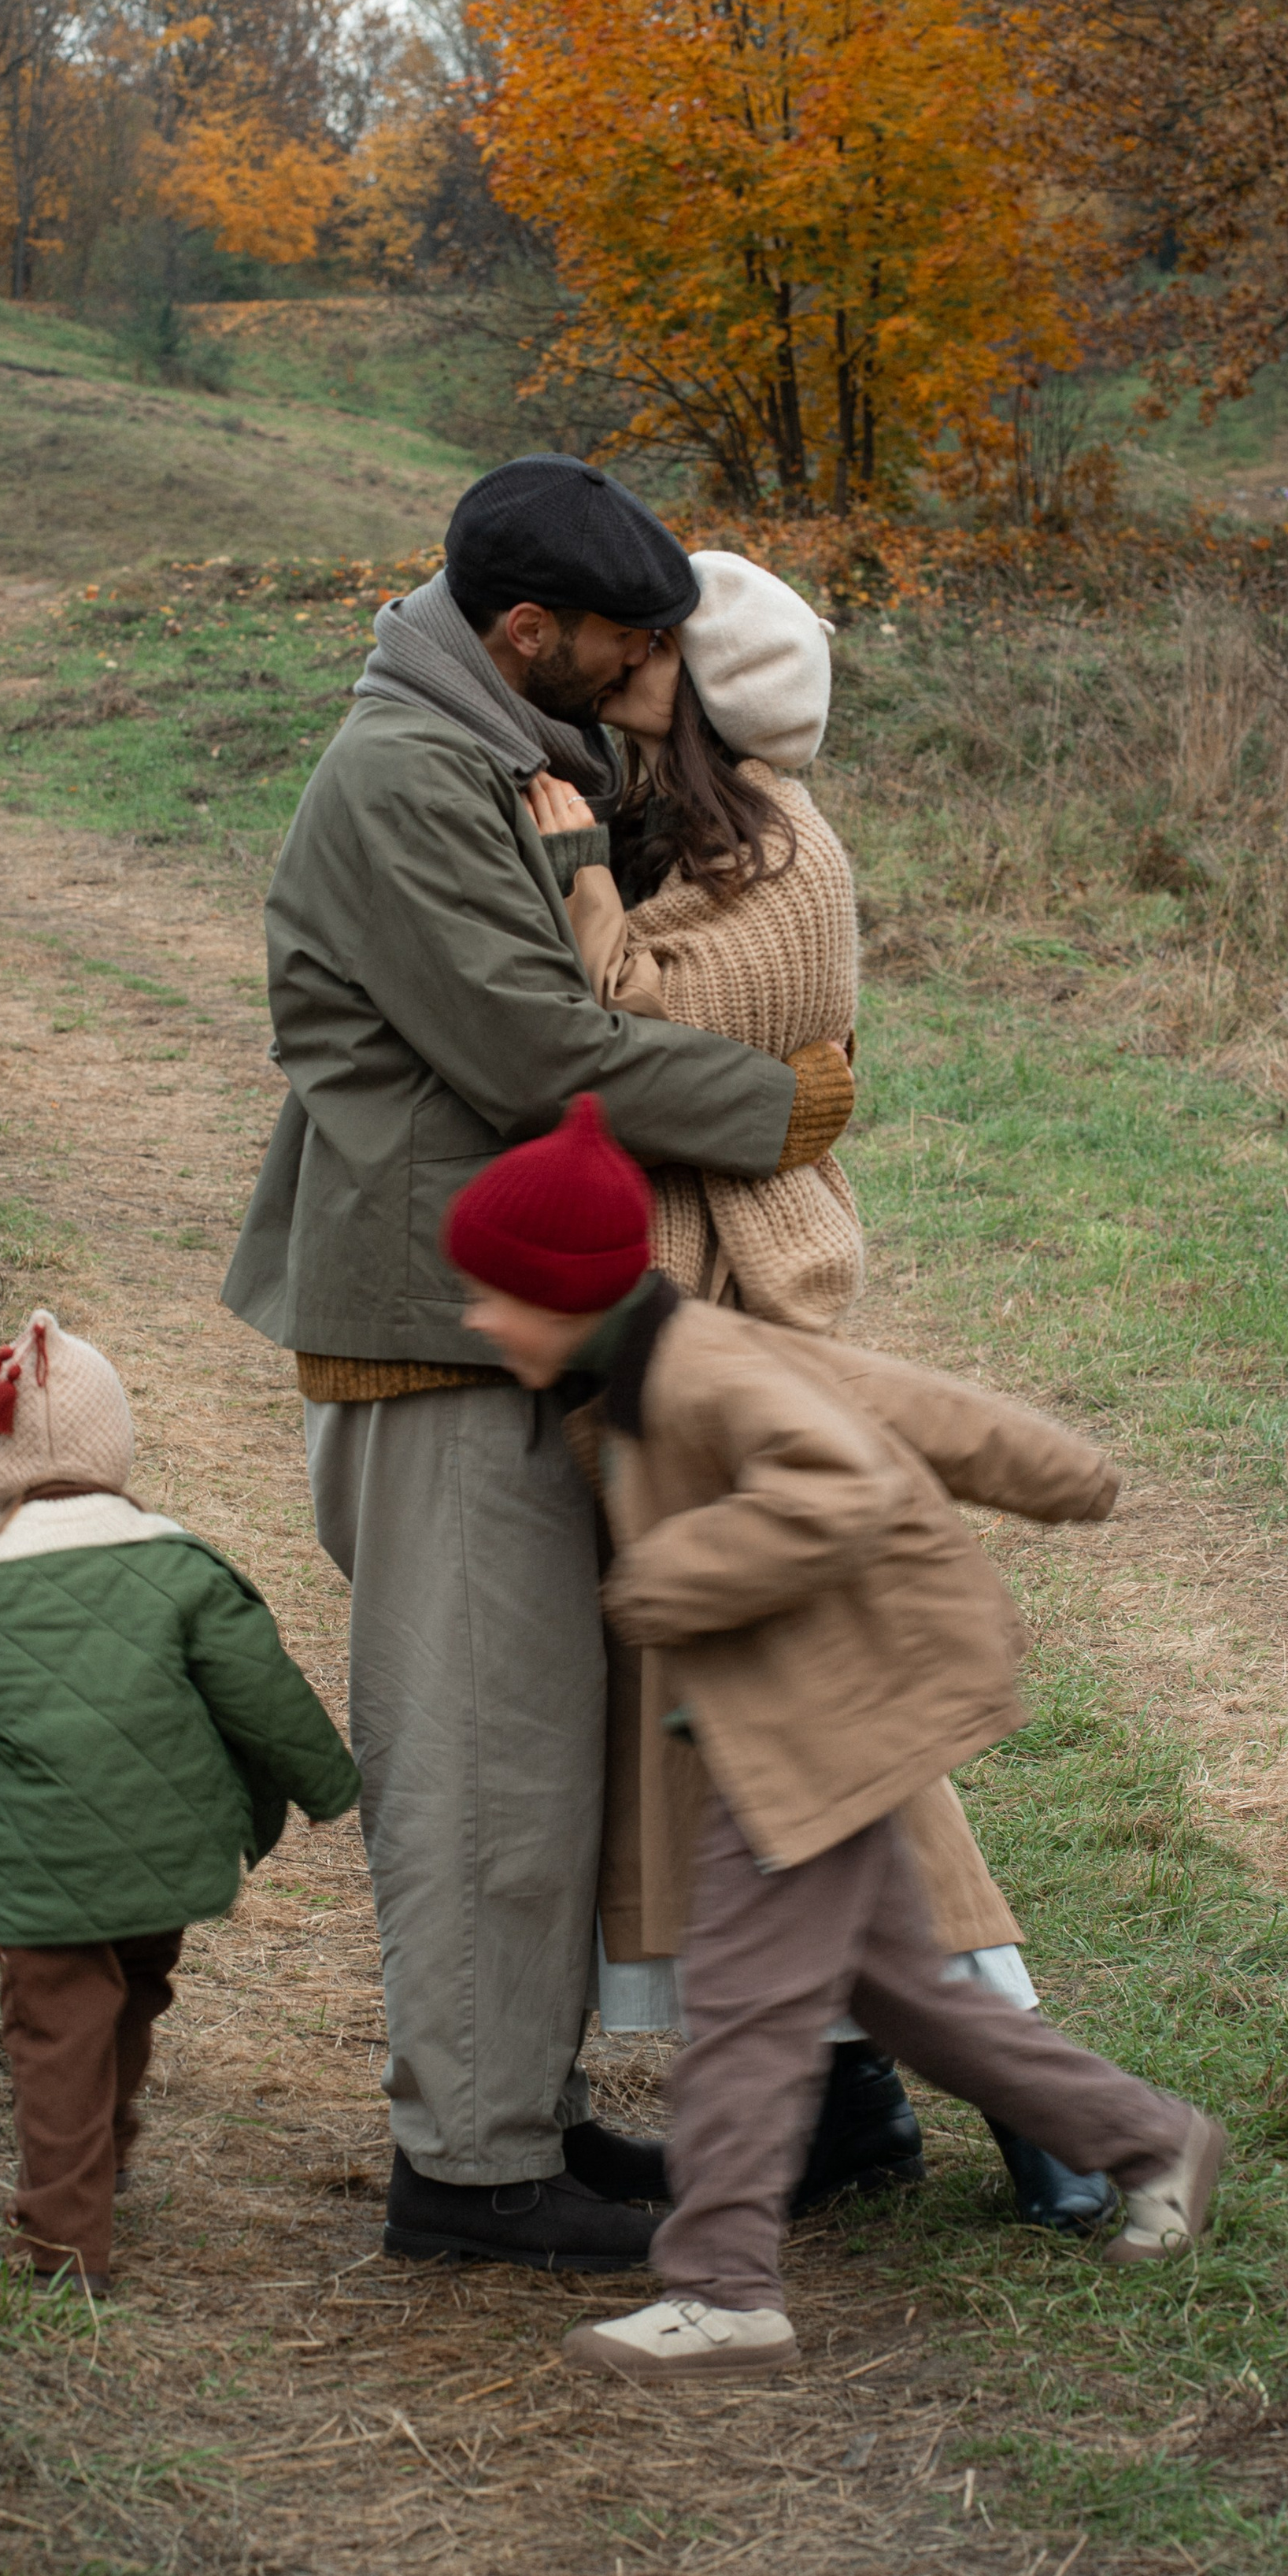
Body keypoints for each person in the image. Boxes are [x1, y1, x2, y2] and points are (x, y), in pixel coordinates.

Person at [220, 456, 857, 2275]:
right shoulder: (405, 774)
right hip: (436, 1334)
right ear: (524, 631)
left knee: (539, 1747)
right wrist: (777, 1111)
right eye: (626, 644)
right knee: (474, 1761)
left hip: (499, 1315)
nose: (653, 674)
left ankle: (522, 2107)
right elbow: (532, 1048)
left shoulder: (493, 739)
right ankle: (472, 2171)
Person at [442, 1101, 1227, 2381]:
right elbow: (909, 1404)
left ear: (566, 1292)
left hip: (816, 1735)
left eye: (493, 1295)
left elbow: (841, 1484)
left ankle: (725, 2290)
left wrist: (665, 1581)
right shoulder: (666, 1354)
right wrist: (1061, 1469)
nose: (476, 1318)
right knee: (913, 1998)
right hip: (815, 1724)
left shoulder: (700, 1373)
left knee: (748, 2011)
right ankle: (1153, 2141)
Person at [527, 551, 1115, 2235]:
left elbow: (624, 1038)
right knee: (739, 1743)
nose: (625, 660)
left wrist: (569, 870)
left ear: (712, 688)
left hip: (742, 1333)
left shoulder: (780, 857)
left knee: (834, 1739)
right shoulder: (710, 837)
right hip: (681, 1334)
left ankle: (1049, 2119)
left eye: (659, 646)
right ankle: (849, 2112)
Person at [0, 1309, 359, 2297]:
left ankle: (63, 2244)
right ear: (114, 1447)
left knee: (57, 2033)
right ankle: (99, 2166)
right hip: (165, 1860)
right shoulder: (180, 1567)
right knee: (123, 2002)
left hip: (42, 1871)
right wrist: (328, 1784)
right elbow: (264, 1689)